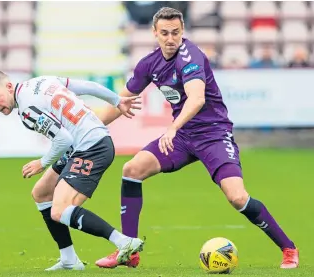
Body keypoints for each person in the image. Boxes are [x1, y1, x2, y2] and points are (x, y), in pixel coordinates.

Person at [95, 7, 299, 269]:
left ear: (183, 32)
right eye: (165, 33)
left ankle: (288, 248)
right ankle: (129, 250)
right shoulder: (149, 63)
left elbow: (197, 98)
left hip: (213, 134)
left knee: (237, 197)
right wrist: (93, 128)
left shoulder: (190, 56)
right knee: (132, 169)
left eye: (176, 33)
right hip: (183, 136)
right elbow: (120, 101)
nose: (171, 39)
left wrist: (171, 128)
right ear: (154, 33)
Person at [0, 71, 145, 271]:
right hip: (82, 145)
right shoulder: (42, 81)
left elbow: (63, 139)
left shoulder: (26, 110)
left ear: (8, 86)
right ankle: (69, 259)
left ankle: (123, 242)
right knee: (41, 193)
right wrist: (116, 99)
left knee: (59, 210)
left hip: (92, 147)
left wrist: (42, 163)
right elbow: (87, 86)